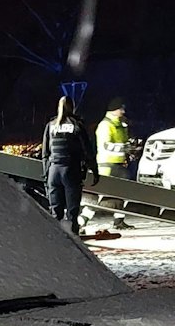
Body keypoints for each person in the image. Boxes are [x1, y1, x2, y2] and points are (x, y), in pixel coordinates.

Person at [41, 96, 91, 235]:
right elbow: (87, 150)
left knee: (55, 213)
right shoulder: (77, 125)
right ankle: (74, 237)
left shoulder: (51, 125)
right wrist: (93, 169)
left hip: (53, 171)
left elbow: (45, 152)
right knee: (72, 212)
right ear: (72, 107)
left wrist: (46, 173)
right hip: (70, 170)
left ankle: (56, 240)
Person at [95, 98, 135, 228]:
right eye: (120, 109)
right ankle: (81, 221)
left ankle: (119, 221)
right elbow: (106, 145)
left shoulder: (120, 125)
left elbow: (124, 142)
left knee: (121, 193)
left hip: (119, 164)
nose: (123, 111)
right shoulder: (105, 125)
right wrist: (125, 148)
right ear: (114, 110)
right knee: (101, 195)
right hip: (107, 165)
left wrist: (131, 148)